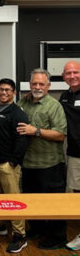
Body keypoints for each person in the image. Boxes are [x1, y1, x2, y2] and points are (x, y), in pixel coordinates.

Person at [17, 68, 67, 249]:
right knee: (31, 200)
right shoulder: (23, 102)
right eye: (34, 83)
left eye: (41, 84)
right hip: (28, 162)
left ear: (48, 86)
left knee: (54, 203)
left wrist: (35, 131)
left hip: (50, 163)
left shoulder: (54, 106)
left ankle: (58, 237)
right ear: (30, 85)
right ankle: (38, 229)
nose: (37, 87)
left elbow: (60, 134)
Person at [0, 78, 29, 253]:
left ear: (14, 93)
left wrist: (13, 161)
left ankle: (20, 235)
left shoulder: (17, 113)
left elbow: (22, 139)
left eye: (7, 90)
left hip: (7, 165)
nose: (4, 93)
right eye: (1, 89)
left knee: (13, 200)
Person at [60, 61, 80, 250]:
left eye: (76, 72)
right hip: (74, 154)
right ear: (63, 76)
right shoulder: (64, 97)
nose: (72, 76)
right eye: (69, 73)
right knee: (76, 194)